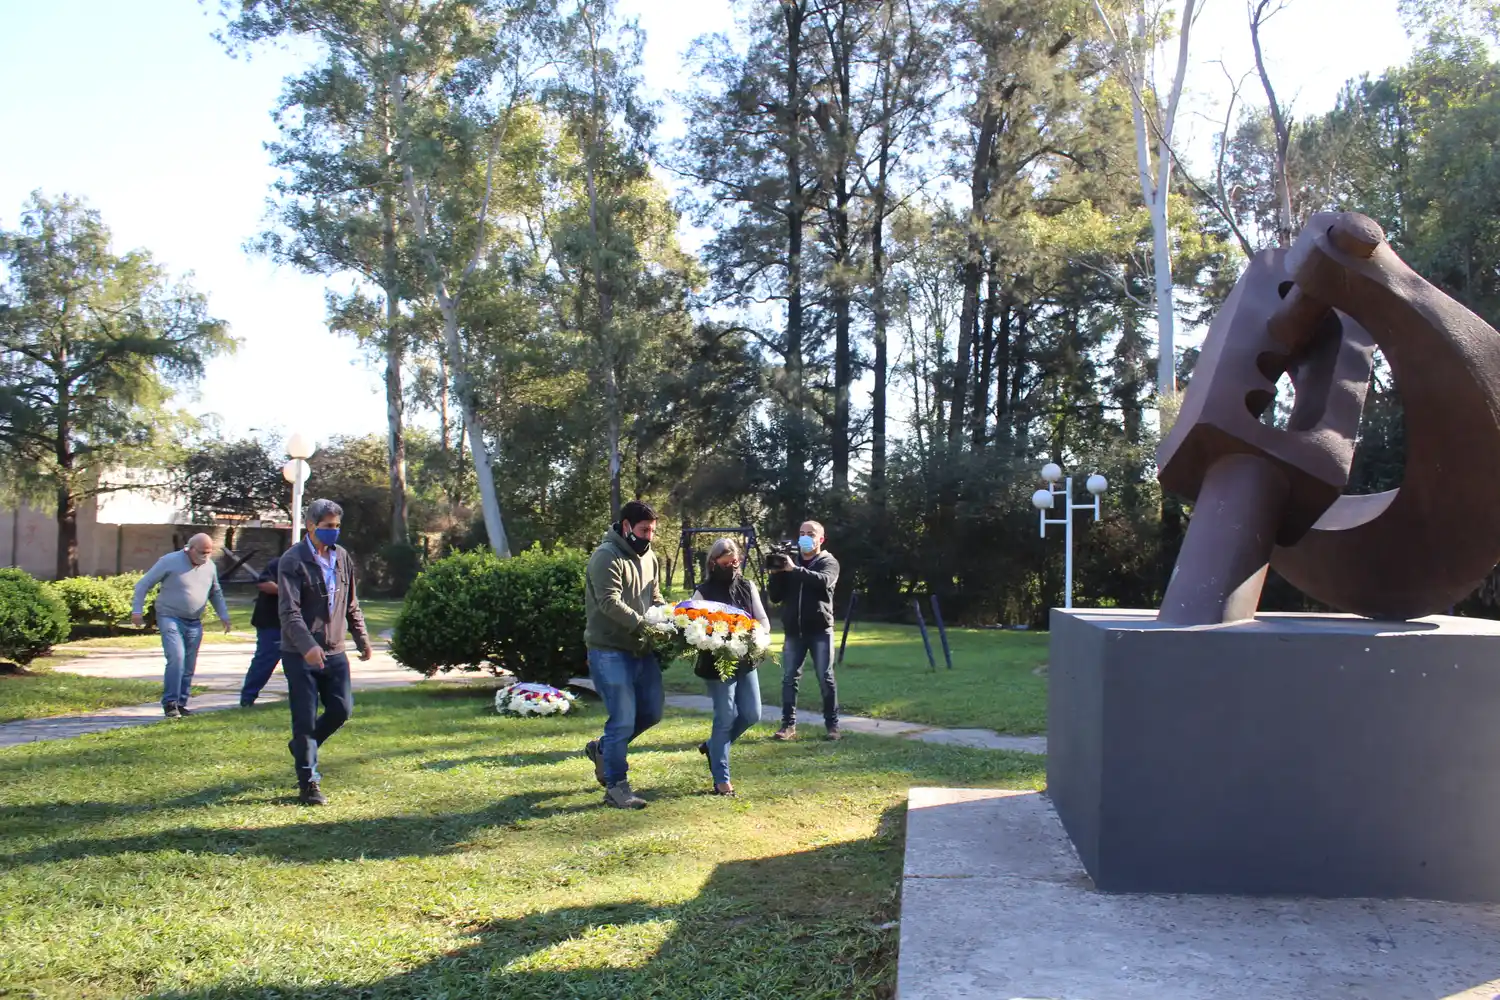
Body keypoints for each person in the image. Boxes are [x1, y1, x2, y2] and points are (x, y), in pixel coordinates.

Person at [278, 499, 373, 806]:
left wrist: (362, 638)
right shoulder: (292, 560)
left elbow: (351, 602)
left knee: (341, 709)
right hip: (299, 653)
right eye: (328, 526)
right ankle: (309, 782)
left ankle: (302, 748)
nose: (334, 532)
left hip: (335, 651)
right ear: (310, 526)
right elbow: (289, 612)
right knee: (304, 720)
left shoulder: (342, 556)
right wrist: (307, 647)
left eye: (337, 526)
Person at [582, 499, 668, 810]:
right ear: (627, 526)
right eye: (644, 530)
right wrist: (644, 624)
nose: (649, 537)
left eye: (653, 531)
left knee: (652, 712)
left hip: (641, 649)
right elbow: (609, 602)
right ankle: (616, 787)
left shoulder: (650, 558)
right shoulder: (606, 556)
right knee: (622, 719)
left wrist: (669, 617)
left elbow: (654, 596)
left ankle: (602, 749)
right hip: (609, 651)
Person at [691, 537, 769, 797]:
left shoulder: (748, 586)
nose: (733, 564)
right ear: (714, 562)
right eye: (727, 560)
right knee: (724, 717)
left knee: (751, 714)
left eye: (736, 559)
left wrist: (759, 635)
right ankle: (722, 780)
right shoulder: (702, 592)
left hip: (746, 660)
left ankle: (713, 747)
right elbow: (694, 627)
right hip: (717, 664)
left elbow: (762, 619)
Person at [132, 533, 232, 718]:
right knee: (176, 658)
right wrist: (136, 610)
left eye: (209, 552)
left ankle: (181, 703)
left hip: (194, 621)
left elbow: (215, 592)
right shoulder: (169, 561)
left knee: (188, 665)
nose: (205, 556)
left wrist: (224, 615)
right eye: (202, 552)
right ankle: (170, 703)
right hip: (170, 616)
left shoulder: (209, 566)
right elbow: (143, 585)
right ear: (190, 549)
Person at [767, 519, 841, 741]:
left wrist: (794, 569)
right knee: (789, 678)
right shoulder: (790, 562)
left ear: (821, 538)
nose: (805, 537)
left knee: (825, 677)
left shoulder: (828, 562)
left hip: (820, 630)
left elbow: (823, 582)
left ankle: (832, 726)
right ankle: (787, 726)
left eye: (810, 533)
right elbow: (776, 597)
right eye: (802, 533)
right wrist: (776, 575)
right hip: (793, 631)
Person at [238, 553, 283, 707]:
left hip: (297, 623)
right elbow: (264, 584)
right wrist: (288, 591)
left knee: (302, 664)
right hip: (271, 621)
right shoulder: (278, 563)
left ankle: (306, 698)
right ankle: (248, 698)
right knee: (265, 661)